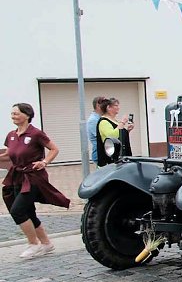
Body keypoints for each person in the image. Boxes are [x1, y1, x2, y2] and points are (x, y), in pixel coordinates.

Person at [1, 103, 70, 259]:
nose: (13, 116)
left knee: (17, 211)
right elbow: (8, 154)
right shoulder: (11, 135)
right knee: (28, 211)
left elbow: (54, 149)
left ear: (27, 115)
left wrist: (44, 162)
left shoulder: (36, 134)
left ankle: (33, 244)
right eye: (12, 114)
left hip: (33, 178)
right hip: (17, 176)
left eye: (16, 114)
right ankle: (47, 244)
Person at [95, 97, 134, 167]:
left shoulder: (115, 121)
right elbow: (113, 136)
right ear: (108, 108)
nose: (118, 108)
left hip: (121, 157)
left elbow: (120, 135)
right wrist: (123, 122)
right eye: (116, 106)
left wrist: (127, 130)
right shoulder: (104, 122)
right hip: (111, 160)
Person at [86, 96, 105, 163]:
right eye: (104, 103)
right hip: (100, 154)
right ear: (98, 105)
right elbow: (103, 136)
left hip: (105, 153)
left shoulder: (101, 117)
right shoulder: (93, 120)